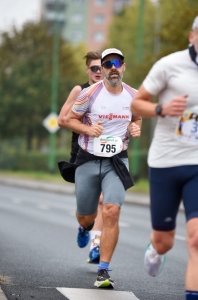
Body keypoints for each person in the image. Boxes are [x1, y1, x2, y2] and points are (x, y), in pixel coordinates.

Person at [131, 10, 198, 300]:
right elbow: (136, 104)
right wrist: (160, 109)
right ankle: (156, 248)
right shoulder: (169, 66)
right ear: (193, 36)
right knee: (165, 241)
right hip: (165, 162)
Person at [64, 48, 141, 288]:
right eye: (107, 64)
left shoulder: (134, 95)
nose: (112, 67)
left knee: (111, 211)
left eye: (117, 62)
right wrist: (88, 130)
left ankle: (103, 271)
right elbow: (67, 120)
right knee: (87, 215)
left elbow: (136, 118)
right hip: (87, 159)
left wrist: (135, 128)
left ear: (124, 66)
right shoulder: (89, 94)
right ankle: (84, 226)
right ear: (103, 70)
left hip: (116, 162)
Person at [58, 51, 104, 264]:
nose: (98, 71)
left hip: (107, 153)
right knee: (88, 209)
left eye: (101, 67)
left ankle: (96, 248)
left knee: (103, 201)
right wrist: (86, 128)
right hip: (82, 154)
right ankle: (84, 226)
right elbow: (62, 120)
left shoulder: (113, 91)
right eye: (94, 68)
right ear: (88, 69)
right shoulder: (80, 90)